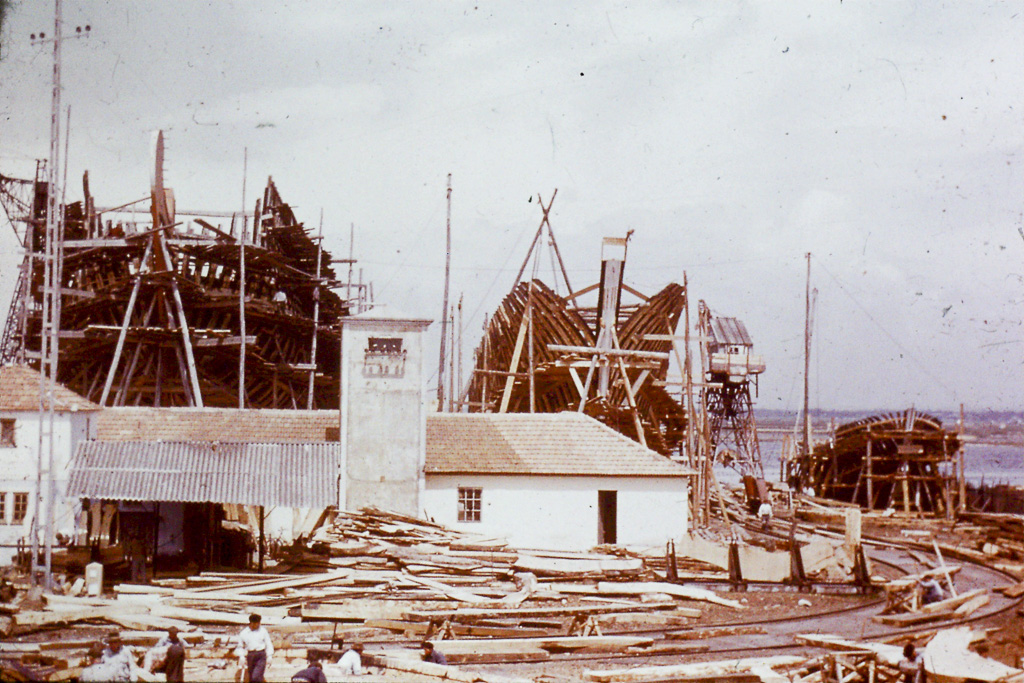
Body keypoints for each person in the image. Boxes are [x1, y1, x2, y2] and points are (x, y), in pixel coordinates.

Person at [234, 613, 274, 683]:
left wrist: (269, 656)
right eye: (255, 623)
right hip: (250, 655)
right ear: (251, 623)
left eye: (258, 623)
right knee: (252, 678)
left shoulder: (263, 631)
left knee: (256, 676)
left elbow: (268, 643)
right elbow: (240, 646)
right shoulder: (244, 633)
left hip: (261, 655)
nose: (257, 625)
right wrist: (241, 656)